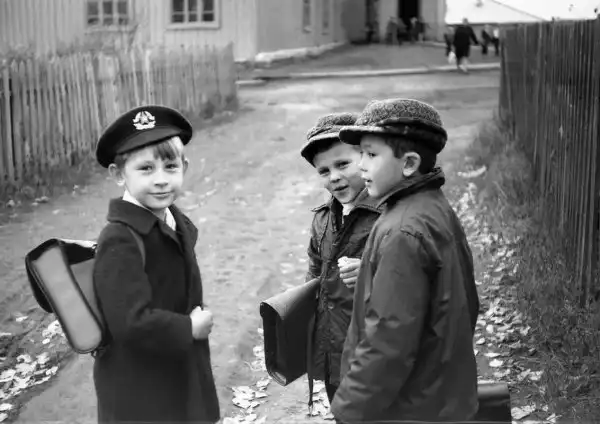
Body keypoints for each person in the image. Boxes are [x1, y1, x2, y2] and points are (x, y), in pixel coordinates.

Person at [330, 98, 481, 423]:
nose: (361, 165)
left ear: (409, 163)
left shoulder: (403, 231)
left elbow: (387, 342)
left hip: (407, 407)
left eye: (371, 154)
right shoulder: (431, 207)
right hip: (439, 394)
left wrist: (349, 408)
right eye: (360, 154)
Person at [92, 105, 220, 423]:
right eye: (146, 169)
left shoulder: (173, 220)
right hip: (141, 390)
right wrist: (189, 328)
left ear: (184, 167)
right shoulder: (120, 238)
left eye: (170, 166)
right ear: (118, 174)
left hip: (179, 374)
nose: (161, 180)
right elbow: (130, 322)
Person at [301, 112, 382, 403]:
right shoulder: (322, 218)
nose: (334, 177)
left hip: (374, 347)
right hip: (334, 348)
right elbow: (314, 271)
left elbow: (410, 276)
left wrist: (370, 271)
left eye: (343, 164)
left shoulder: (388, 215)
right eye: (324, 171)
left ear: (365, 158)